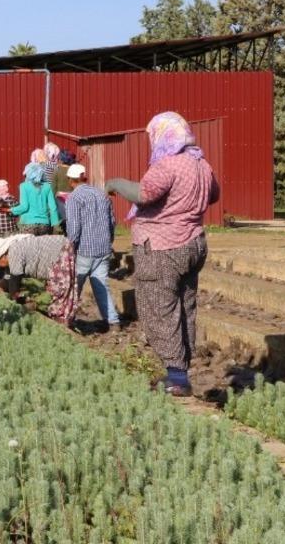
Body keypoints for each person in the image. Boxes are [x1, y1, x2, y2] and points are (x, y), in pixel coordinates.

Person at [107, 112, 220, 397]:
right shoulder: (201, 163)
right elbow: (214, 195)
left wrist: (115, 183)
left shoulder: (168, 165)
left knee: (160, 307)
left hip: (162, 246)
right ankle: (179, 369)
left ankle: (177, 378)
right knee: (185, 306)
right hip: (193, 243)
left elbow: (143, 194)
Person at [65, 164, 121, 332]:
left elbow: (74, 230)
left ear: (70, 180)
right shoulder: (101, 194)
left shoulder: (74, 198)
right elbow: (112, 222)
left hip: (84, 250)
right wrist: (109, 241)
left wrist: (69, 249)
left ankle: (67, 318)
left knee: (74, 287)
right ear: (84, 177)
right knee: (102, 285)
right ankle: (113, 322)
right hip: (103, 248)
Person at [0, 233, 78, 325]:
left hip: (60, 249)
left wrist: (16, 300)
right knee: (56, 287)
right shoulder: (11, 252)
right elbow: (8, 277)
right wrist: (0, 288)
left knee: (61, 287)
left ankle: (61, 319)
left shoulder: (14, 252)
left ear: (2, 256)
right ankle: (57, 315)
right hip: (58, 249)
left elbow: (14, 281)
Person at [10, 162, 60, 235]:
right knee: (42, 246)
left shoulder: (24, 186)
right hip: (44, 224)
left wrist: (11, 210)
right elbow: (53, 207)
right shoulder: (47, 186)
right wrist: (55, 224)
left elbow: (24, 207)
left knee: (28, 246)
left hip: (28, 223)